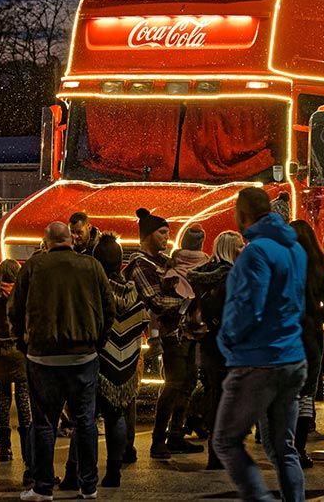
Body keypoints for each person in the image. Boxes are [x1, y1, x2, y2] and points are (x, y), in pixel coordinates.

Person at [212, 187, 307, 502]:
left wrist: (226, 339)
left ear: (242, 214)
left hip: (259, 360)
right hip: (292, 357)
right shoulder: (296, 251)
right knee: (283, 447)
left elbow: (248, 307)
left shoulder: (256, 252)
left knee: (226, 441)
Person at [9, 221, 115, 502]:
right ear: (70, 240)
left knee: (43, 423)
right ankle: (88, 486)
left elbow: (14, 310)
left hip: (42, 357)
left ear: (46, 242)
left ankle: (43, 488)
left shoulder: (32, 268)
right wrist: (97, 342)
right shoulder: (91, 267)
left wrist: (25, 344)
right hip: (84, 356)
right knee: (85, 421)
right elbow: (109, 308)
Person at [127, 208, 202, 458]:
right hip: (170, 333)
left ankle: (176, 434)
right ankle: (159, 439)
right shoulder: (140, 265)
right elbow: (155, 300)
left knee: (188, 381)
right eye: (161, 232)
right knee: (173, 383)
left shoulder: (162, 262)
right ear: (148, 235)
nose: (166, 237)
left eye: (167, 232)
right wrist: (189, 301)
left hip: (185, 331)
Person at [92, 233, 149, 488]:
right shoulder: (133, 291)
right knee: (116, 417)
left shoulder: (96, 292)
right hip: (126, 365)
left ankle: (83, 473)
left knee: (87, 419)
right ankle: (113, 472)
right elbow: (142, 323)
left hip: (99, 364)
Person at [187, 230, 244, 470]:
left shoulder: (201, 277)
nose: (244, 250)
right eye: (240, 246)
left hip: (208, 342)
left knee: (217, 396)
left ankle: (216, 450)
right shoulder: (232, 277)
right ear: (230, 250)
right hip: (228, 344)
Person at [287, 220, 324, 469]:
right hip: (309, 338)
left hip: (283, 338)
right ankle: (300, 450)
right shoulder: (318, 270)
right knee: (306, 395)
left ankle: (282, 447)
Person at [0, 259, 31, 480]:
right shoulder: (19, 295)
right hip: (17, 351)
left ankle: (4, 447)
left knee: (3, 398)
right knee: (23, 401)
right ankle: (28, 449)